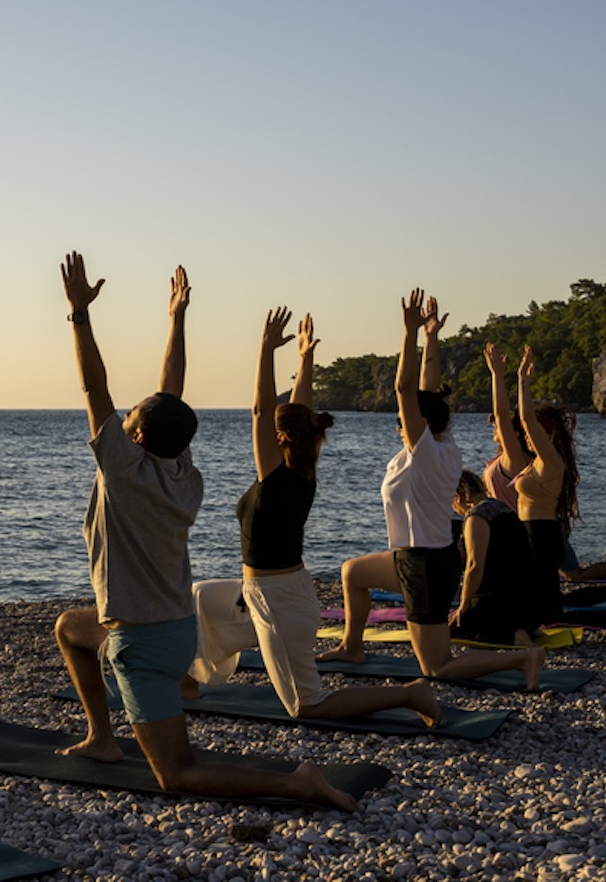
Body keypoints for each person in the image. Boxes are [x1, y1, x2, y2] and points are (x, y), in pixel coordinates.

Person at [53, 254, 355, 810]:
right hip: (177, 630)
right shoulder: (179, 467)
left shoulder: (122, 470)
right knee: (71, 627)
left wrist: (79, 315)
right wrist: (177, 317)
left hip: (141, 642)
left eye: (132, 415)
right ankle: (102, 737)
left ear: (136, 436)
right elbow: (171, 391)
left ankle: (298, 783)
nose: (126, 413)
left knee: (177, 773)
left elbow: (94, 386)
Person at [192, 307, 441, 724]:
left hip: (279, 602)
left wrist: (265, 351)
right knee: (197, 598)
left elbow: (260, 410)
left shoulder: (281, 478)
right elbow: (298, 410)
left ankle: (409, 694)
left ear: (282, 438)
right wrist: (305, 358)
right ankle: (186, 679)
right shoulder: (299, 469)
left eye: (274, 431)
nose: (266, 435)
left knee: (307, 706)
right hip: (264, 593)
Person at [318, 291, 544, 688]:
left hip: (425, 566)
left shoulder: (425, 452)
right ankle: (352, 645)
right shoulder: (442, 444)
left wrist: (408, 334)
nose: (397, 424)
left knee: (437, 667)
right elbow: (427, 389)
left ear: (420, 421)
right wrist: (431, 337)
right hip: (413, 557)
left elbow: (407, 390)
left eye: (404, 420)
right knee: (353, 572)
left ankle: (524, 659)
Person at [486, 345, 606, 632]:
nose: (527, 433)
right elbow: (507, 416)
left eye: (534, 430)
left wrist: (519, 380)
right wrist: (513, 378)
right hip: (534, 535)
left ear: (546, 433)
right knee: (549, 606)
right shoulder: (537, 461)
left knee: (548, 614)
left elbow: (519, 419)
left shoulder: (551, 461)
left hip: (541, 536)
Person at [449, 471, 541, 647]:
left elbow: (474, 564)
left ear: (457, 496)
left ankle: (514, 635)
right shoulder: (503, 508)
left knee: (452, 629)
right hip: (532, 603)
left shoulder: (476, 516)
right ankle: (523, 628)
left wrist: (464, 604)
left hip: (503, 604)